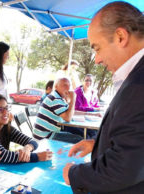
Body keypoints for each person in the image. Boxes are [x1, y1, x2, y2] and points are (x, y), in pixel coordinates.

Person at [63, 2, 144, 193]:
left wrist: (74, 174)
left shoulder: (139, 85)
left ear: (120, 37)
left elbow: (124, 167)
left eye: (97, 48)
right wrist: (97, 144)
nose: (97, 59)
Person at [0, 94, 53, 163]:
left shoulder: (5, 128)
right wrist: (37, 157)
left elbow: (33, 142)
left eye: (7, 108)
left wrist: (27, 148)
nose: (5, 112)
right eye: (0, 109)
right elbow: (2, 155)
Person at [33, 77, 83, 143]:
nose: (68, 88)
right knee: (80, 139)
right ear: (56, 86)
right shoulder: (54, 98)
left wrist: (92, 114)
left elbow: (69, 112)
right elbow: (68, 118)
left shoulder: (59, 97)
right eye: (65, 85)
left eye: (69, 85)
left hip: (50, 131)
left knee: (80, 132)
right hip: (45, 135)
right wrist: (73, 99)